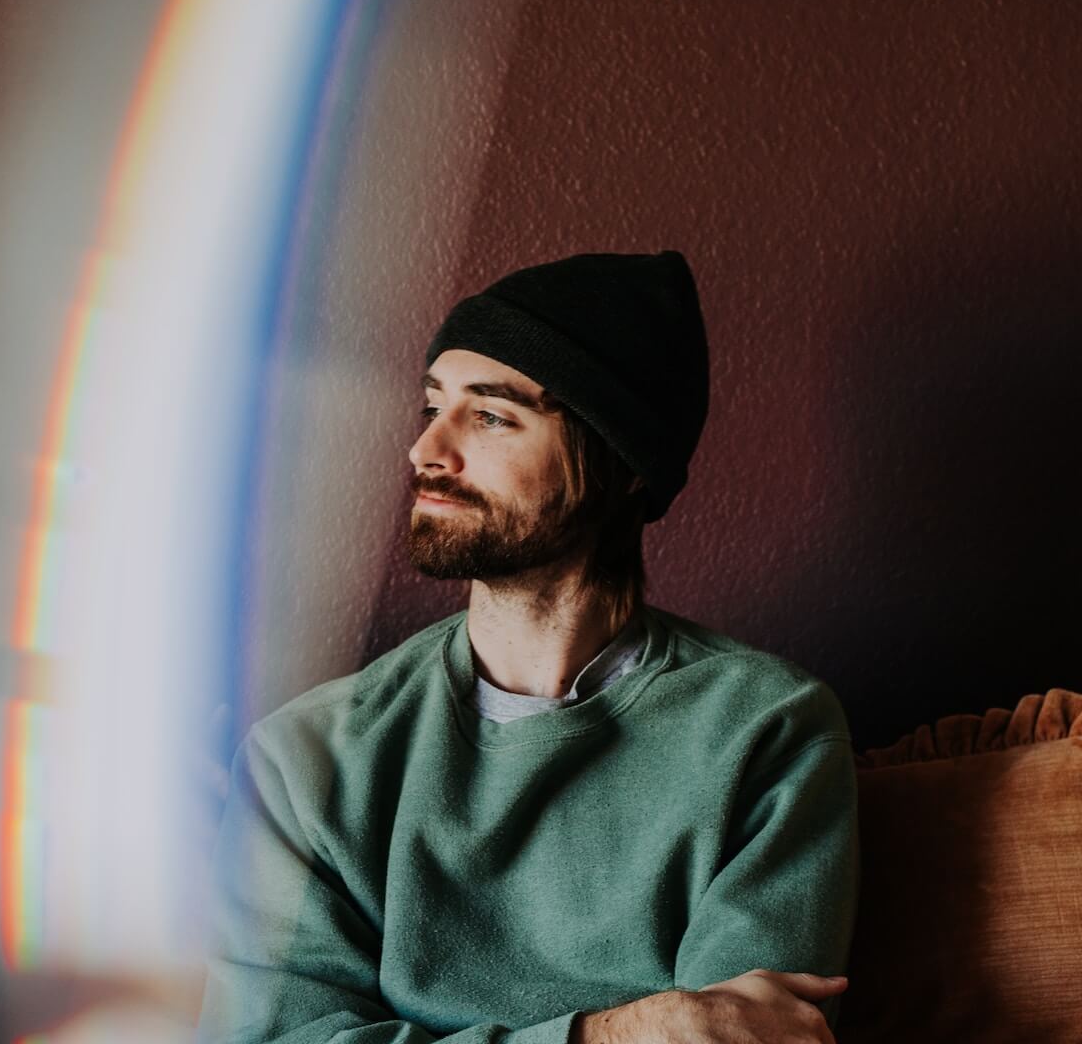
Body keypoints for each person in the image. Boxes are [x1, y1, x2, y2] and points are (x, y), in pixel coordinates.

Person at [202, 251, 859, 1044]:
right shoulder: (307, 759)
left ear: (617, 463)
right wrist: (612, 1036)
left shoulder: (766, 730)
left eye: (489, 417)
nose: (426, 453)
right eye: (430, 407)